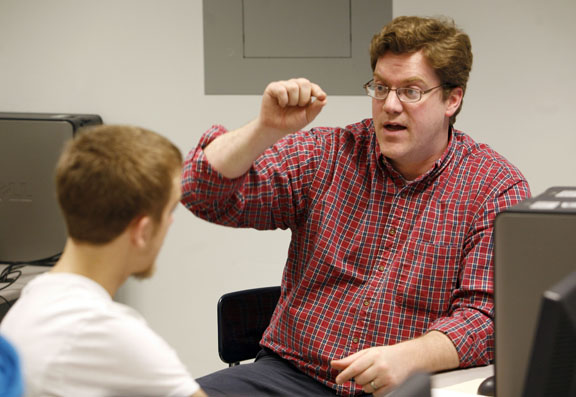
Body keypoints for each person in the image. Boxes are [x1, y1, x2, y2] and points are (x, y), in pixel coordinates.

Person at [181, 15, 531, 396]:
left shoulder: (494, 188)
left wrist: (411, 357)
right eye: (381, 88)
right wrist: (265, 129)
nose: (391, 105)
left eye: (411, 91)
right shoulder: (329, 154)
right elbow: (202, 192)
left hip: (405, 386)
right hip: (292, 376)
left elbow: (488, 319)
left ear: (452, 98)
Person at [1, 125, 207, 397]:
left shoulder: (29, 304)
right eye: (170, 211)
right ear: (143, 231)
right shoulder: (106, 331)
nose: (170, 222)